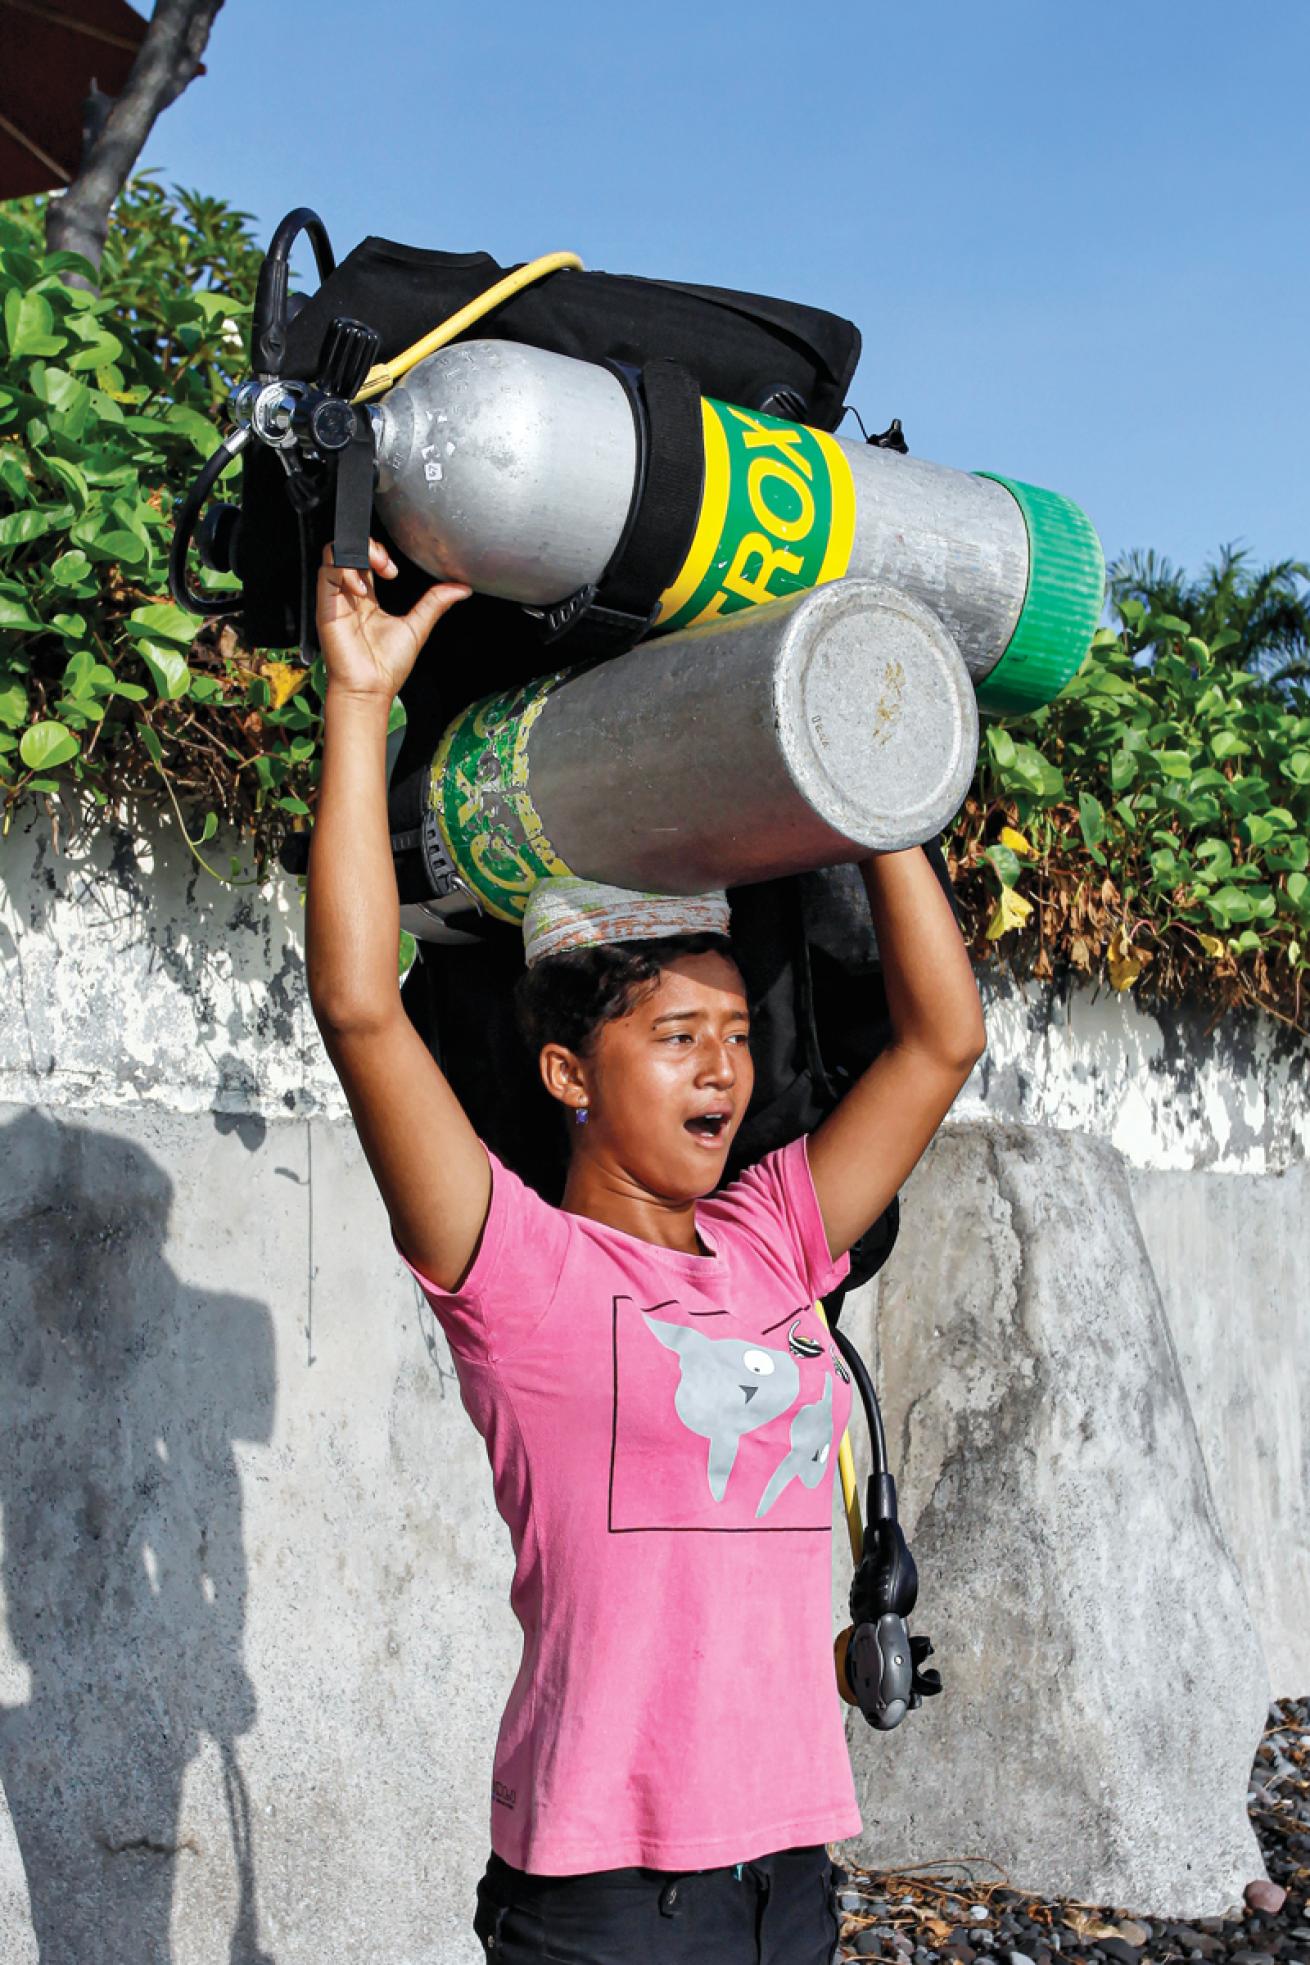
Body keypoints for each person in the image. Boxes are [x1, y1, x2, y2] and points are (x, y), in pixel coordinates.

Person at [306, 539, 987, 1965]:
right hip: (606, 1894)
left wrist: (876, 776)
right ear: (568, 1073)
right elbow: (364, 1008)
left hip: (789, 1872)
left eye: (737, 1038)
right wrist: (359, 703)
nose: (722, 1073)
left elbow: (940, 1042)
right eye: (678, 1038)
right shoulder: (516, 1272)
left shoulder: (771, 1242)